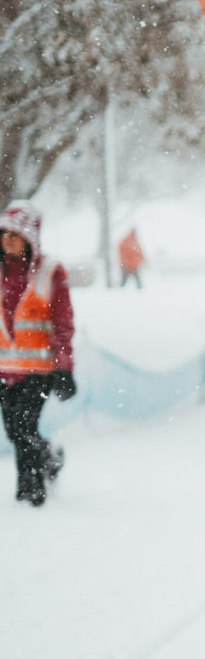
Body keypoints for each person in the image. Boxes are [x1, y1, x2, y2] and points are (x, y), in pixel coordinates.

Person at [0, 201, 77, 507]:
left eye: (14, 234)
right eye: (3, 233)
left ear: (30, 237)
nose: (7, 239)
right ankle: (49, 460)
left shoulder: (49, 272)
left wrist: (64, 367)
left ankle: (31, 492)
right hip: (4, 371)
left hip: (38, 372)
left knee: (23, 428)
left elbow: (62, 325)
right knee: (14, 431)